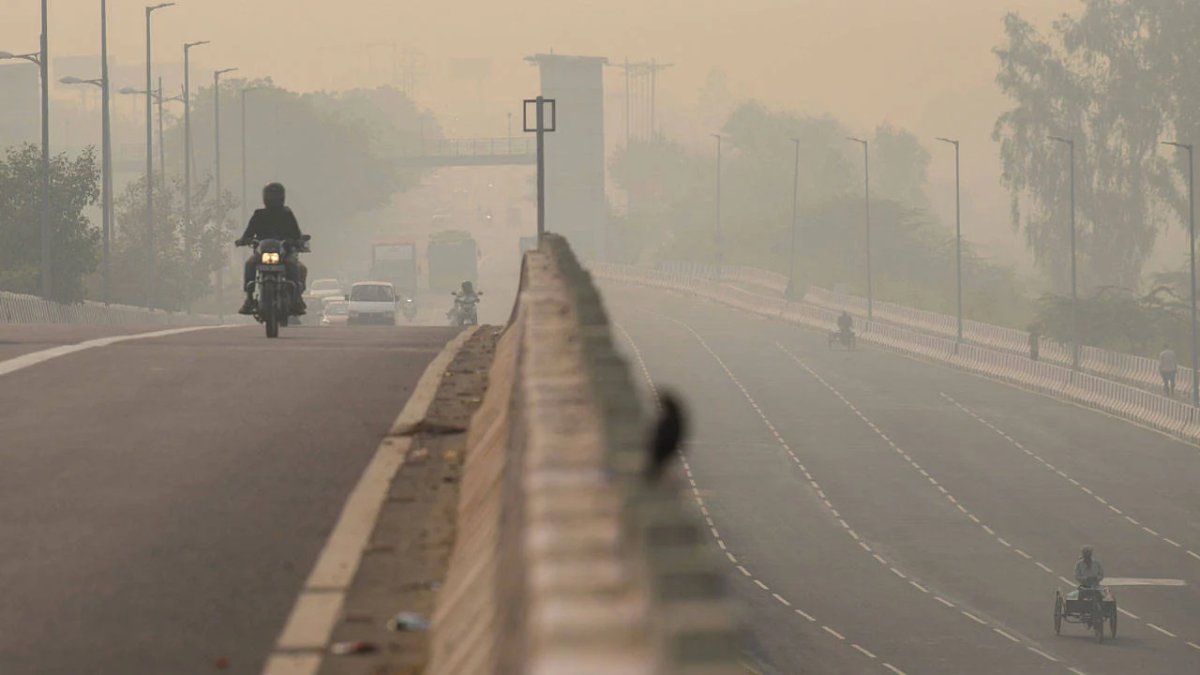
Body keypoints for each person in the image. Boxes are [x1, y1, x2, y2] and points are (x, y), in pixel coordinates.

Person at [236, 183, 308, 315]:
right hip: (261, 253)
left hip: (284, 253)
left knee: (294, 266)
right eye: (271, 196)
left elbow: (296, 233)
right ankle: (249, 299)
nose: (273, 199)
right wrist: (243, 240)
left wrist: (297, 241)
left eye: (276, 196)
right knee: (249, 264)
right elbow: (248, 233)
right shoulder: (259, 214)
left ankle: (297, 299)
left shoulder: (287, 214)